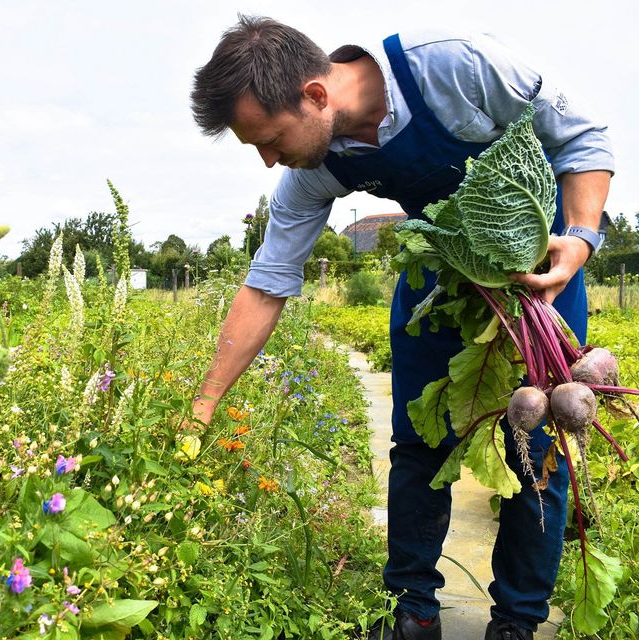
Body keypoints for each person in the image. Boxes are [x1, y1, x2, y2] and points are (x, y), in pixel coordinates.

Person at [188, 15, 613, 640]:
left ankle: (518, 620)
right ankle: (412, 610)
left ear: (314, 95)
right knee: (418, 445)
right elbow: (267, 281)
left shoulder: (457, 67)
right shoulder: (314, 172)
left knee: (537, 450)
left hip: (535, 282)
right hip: (437, 288)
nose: (268, 160)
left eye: (270, 139)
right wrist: (203, 404)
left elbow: (583, 141)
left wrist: (578, 239)